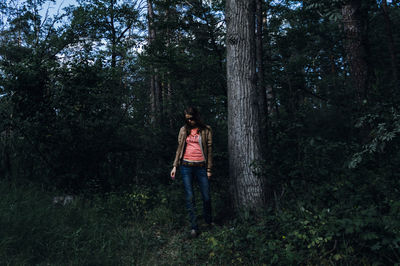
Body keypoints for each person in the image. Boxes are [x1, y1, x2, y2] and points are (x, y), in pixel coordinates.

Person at [170, 106, 213, 237]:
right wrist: (175, 166)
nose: (189, 121)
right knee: (190, 197)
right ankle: (194, 227)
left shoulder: (206, 129)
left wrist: (209, 169)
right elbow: (179, 148)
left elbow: (210, 150)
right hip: (186, 166)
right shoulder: (183, 130)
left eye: (191, 119)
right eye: (187, 119)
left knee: (206, 197)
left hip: (201, 167)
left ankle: (208, 222)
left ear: (196, 117)